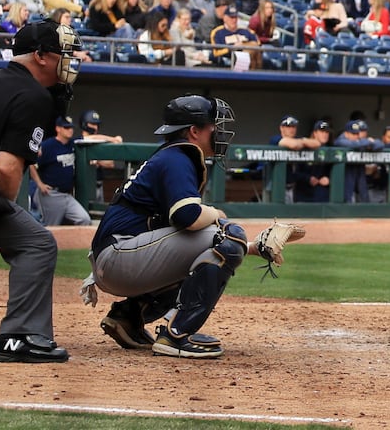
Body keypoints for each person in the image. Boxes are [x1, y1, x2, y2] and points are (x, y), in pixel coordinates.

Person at [85, 95, 264, 358]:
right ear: (194, 131)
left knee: (225, 241)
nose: (218, 131)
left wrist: (251, 248)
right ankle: (177, 336)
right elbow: (187, 216)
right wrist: (217, 214)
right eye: (213, 125)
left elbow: (183, 240)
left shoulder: (173, 155)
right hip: (120, 256)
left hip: (120, 256)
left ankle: (128, 317)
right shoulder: (178, 157)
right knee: (227, 234)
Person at [0, 20, 80, 363]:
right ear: (41, 56)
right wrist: (5, 210)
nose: (68, 61)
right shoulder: (33, 96)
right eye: (63, 53)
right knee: (37, 244)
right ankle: (19, 336)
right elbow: (8, 168)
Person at [29, 113, 91, 226]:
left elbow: (90, 138)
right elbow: (31, 163)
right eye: (66, 127)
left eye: (71, 127)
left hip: (67, 195)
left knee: (84, 219)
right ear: (58, 128)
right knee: (51, 229)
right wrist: (39, 184)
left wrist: (113, 139)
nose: (70, 130)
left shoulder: (73, 143)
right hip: (51, 193)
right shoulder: (48, 145)